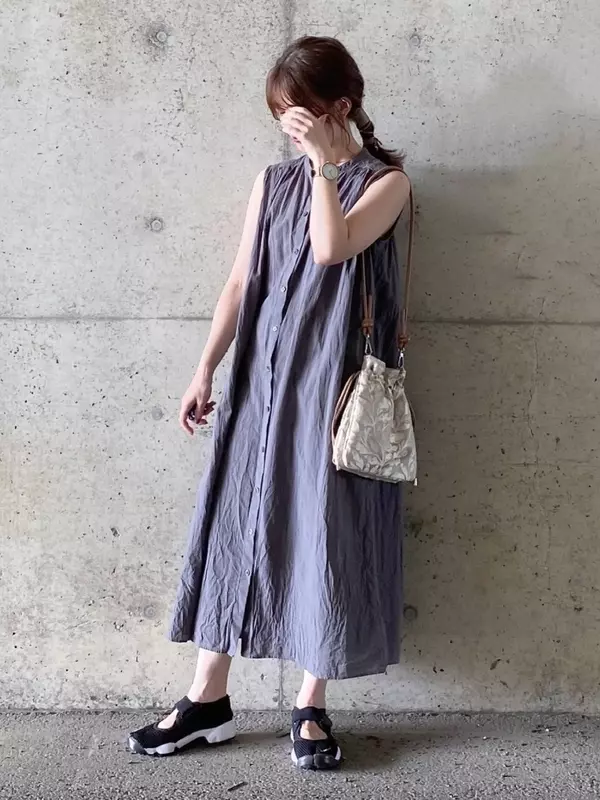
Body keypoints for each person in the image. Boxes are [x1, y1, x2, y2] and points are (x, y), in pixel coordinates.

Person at [128, 35, 411, 771]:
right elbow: (240, 282)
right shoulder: (272, 182)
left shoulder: (387, 185)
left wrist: (324, 165)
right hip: (260, 378)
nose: (288, 125)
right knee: (235, 519)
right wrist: (205, 368)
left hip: (331, 388)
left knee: (322, 528)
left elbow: (330, 248)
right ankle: (208, 697)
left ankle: (310, 703)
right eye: (281, 113)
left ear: (339, 106)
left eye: (298, 111)